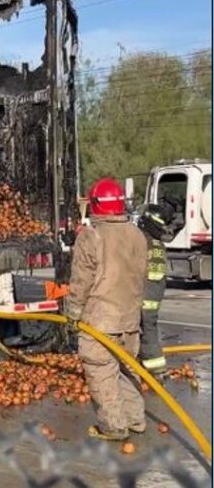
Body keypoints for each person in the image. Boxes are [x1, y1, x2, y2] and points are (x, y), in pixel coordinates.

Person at [64, 177, 148, 441]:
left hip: (99, 323)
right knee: (127, 370)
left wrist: (72, 314)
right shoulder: (137, 235)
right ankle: (135, 420)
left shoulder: (92, 237)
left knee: (102, 372)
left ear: (95, 205)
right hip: (130, 321)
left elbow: (81, 282)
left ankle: (114, 427)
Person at [135, 203, 174, 374]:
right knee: (148, 327)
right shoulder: (158, 243)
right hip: (154, 292)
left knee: (146, 329)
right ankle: (148, 365)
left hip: (145, 293)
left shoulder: (144, 241)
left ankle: (155, 370)